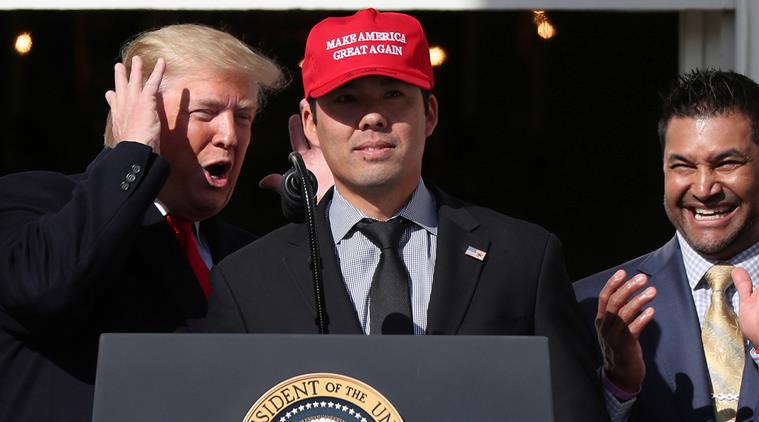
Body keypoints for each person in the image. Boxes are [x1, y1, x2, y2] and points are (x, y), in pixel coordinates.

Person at [195, 9, 606, 422]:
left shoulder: (523, 258)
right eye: (346, 99)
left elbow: (573, 412)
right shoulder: (247, 282)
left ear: (429, 113)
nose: (372, 117)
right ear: (310, 123)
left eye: (393, 94)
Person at [0, 24, 284, 421]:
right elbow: (45, 290)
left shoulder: (248, 255)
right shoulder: (31, 201)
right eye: (205, 112)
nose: (229, 136)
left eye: (243, 116)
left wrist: (328, 216)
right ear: (140, 113)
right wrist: (131, 154)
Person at [574, 69, 759, 421]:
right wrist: (619, 387)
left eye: (727, 163)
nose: (704, 188)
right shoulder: (591, 309)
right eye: (683, 166)